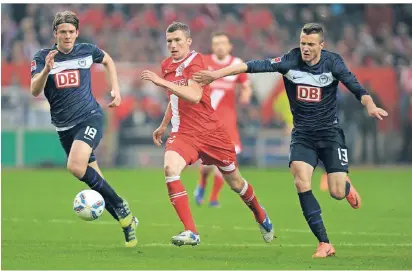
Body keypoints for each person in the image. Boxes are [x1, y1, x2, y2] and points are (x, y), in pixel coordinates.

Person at [193, 23, 388, 257]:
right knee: (300, 181)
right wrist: (215, 74)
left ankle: (344, 186)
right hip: (303, 135)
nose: (305, 48)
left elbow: (357, 88)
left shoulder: (332, 62)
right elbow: (251, 66)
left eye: (310, 45)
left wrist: (371, 105)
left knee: (335, 192)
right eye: (303, 43)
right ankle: (324, 243)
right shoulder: (289, 60)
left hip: (329, 134)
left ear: (321, 46)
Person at [140, 21, 274, 247]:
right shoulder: (166, 65)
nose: (173, 45)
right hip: (184, 133)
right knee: (170, 169)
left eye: (177, 40)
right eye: (169, 41)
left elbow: (192, 95)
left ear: (188, 41)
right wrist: (164, 125)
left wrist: (161, 82)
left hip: (211, 133)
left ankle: (260, 215)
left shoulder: (197, 61)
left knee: (236, 183)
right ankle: (191, 231)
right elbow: (174, 98)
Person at [30, 11, 138, 248]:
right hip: (64, 128)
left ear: (77, 33)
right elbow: (34, 91)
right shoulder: (41, 57)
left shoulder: (87, 50)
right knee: (95, 179)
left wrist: (116, 89)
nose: (67, 36)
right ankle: (128, 222)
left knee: (75, 166)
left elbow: (108, 60)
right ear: (55, 33)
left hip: (90, 118)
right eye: (63, 32)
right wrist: (47, 70)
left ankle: (120, 206)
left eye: (71, 32)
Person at [193, 32, 252, 208]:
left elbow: (246, 85)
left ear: (229, 46)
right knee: (207, 164)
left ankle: (213, 198)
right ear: (212, 47)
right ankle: (202, 183)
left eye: (223, 43)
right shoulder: (203, 62)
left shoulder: (236, 64)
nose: (220, 46)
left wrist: (246, 95)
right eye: (216, 43)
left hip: (227, 122)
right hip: (206, 120)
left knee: (227, 160)